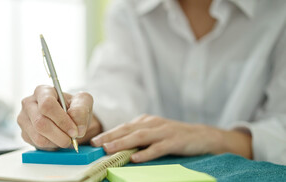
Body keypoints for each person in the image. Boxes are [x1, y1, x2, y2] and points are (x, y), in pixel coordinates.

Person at [17, 0, 286, 166]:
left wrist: (215, 138)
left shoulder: (278, 13)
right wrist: (78, 119)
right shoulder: (127, 9)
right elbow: (117, 89)